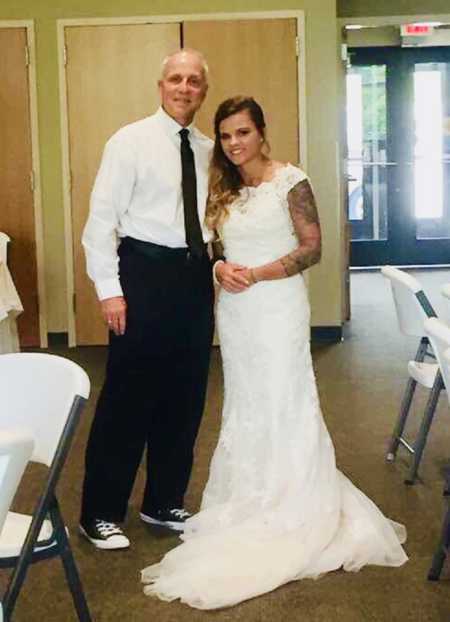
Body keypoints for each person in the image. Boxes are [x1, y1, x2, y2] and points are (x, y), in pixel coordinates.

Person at [141, 96, 407, 608]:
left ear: (262, 133)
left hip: (278, 304)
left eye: (243, 133)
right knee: (246, 400)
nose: (234, 144)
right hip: (236, 310)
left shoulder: (292, 180)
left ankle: (295, 499)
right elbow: (213, 245)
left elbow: (313, 247)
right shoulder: (222, 186)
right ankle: (249, 495)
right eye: (225, 136)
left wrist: (258, 274)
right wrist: (220, 270)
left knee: (286, 394)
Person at [79, 49, 215, 550]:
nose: (184, 88)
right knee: (127, 399)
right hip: (142, 276)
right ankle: (99, 512)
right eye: (176, 79)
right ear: (161, 87)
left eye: (194, 81)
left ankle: (163, 501)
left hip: (193, 279)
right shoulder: (129, 142)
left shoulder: (206, 148)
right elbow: (100, 225)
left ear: (203, 91)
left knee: (185, 396)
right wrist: (110, 292)